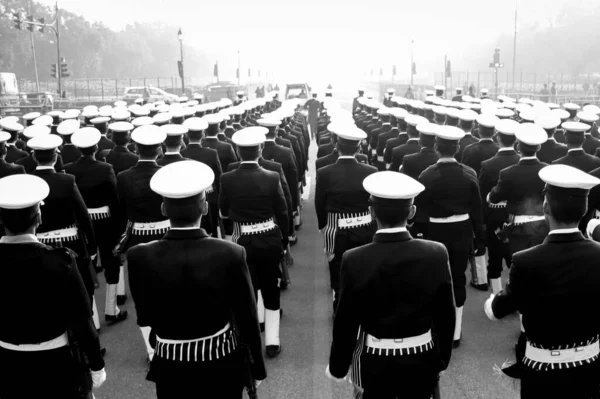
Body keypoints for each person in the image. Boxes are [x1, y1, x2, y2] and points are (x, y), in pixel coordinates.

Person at [127, 160, 266, 398]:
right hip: (221, 361)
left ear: (163, 209)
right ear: (204, 208)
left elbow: (145, 316)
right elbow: (247, 316)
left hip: (170, 364)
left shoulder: (139, 255)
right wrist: (257, 369)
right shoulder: (231, 253)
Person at [326, 171, 455, 399]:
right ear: (412, 211)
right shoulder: (436, 253)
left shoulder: (353, 259)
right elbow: (445, 314)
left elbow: (345, 320)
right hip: (422, 357)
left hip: (375, 360)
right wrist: (441, 359)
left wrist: (338, 367)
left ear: (371, 211)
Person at [485, 164, 600, 399]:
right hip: (591, 366)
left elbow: (497, 311)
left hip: (544, 371)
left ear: (546, 207)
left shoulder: (526, 261)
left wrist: (492, 301)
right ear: (584, 208)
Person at [0, 174, 106, 399]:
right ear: (39, 218)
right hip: (56, 363)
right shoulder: (61, 261)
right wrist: (96, 365)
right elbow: (82, 320)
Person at [220, 127, 289, 358]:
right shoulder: (272, 177)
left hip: (242, 241)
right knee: (271, 287)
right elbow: (282, 210)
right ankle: (272, 341)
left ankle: (250, 340)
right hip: (269, 238)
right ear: (260, 150)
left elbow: (223, 211)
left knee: (247, 290)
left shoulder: (227, 178)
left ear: (238, 152)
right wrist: (285, 239)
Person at [416, 125, 485, 348]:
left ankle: (435, 327)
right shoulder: (469, 174)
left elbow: (420, 213)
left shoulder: (427, 175)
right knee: (458, 279)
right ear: (457, 148)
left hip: (435, 232)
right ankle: (455, 333)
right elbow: (477, 210)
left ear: (436, 147)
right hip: (462, 231)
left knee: (433, 279)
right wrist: (480, 241)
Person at [116, 125, 168, 363]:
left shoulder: (124, 177)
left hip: (137, 239)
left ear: (136, 149)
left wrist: (120, 243)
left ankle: (151, 350)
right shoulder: (168, 172)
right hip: (167, 236)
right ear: (159, 150)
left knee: (142, 295)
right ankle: (169, 339)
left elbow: (121, 213)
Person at [65, 127, 127, 325]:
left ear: (77, 148)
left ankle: (93, 319)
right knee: (111, 262)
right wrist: (120, 228)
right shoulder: (105, 168)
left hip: (79, 224)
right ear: (96, 147)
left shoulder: (68, 169)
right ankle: (111, 308)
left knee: (85, 266)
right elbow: (115, 200)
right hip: (105, 220)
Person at [315, 125, 377, 313]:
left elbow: (320, 204)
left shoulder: (325, 172)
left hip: (336, 230)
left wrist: (323, 227)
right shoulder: (371, 170)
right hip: (365, 228)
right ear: (359, 148)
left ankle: (340, 310)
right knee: (364, 270)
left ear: (336, 145)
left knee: (339, 274)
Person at [488, 123, 549, 255]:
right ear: (538, 147)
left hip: (519, 228)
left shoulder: (507, 173)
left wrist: (490, 195)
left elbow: (493, 197)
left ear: (518, 146)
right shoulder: (546, 169)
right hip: (544, 225)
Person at [478, 119, 521, 294]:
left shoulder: (488, 165)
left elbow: (482, 195)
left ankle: (496, 295)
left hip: (494, 215)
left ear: (498, 138)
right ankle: (515, 295)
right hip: (517, 217)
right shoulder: (521, 161)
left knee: (494, 258)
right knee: (516, 259)